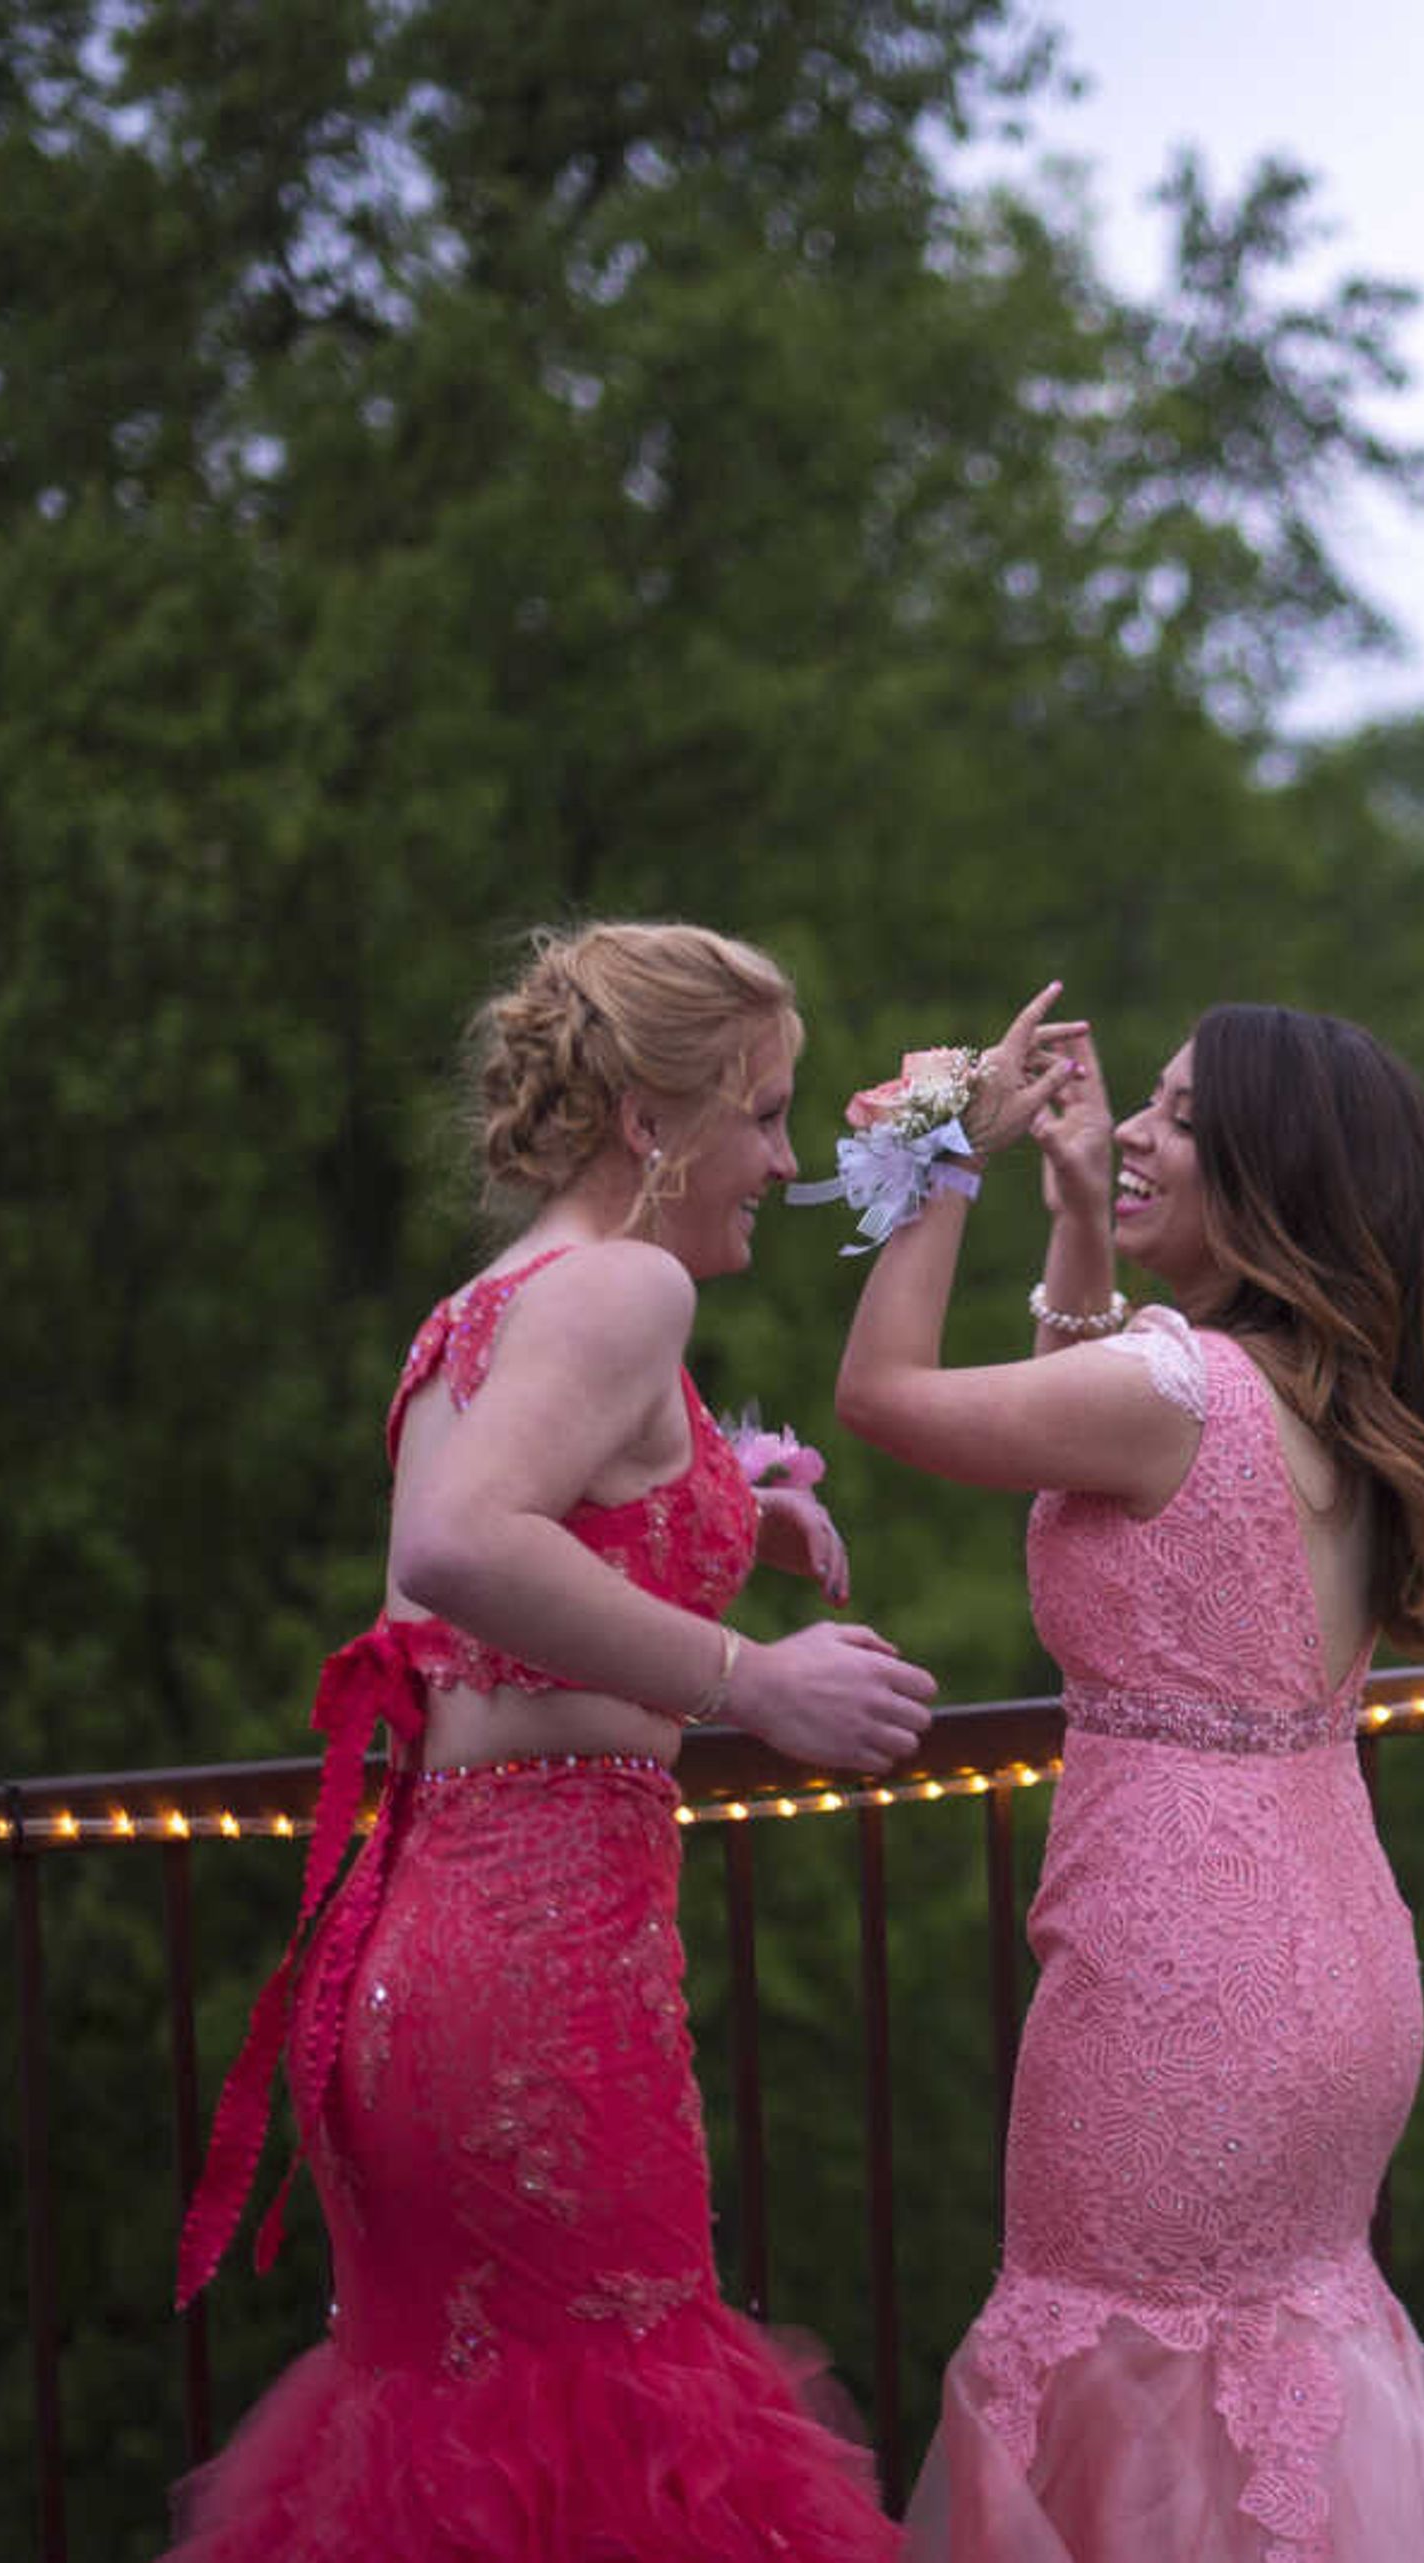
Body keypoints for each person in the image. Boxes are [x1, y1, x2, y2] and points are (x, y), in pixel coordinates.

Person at [166, 920, 933, 2561]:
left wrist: (737, 1506)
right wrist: (758, 1678)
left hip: (423, 1957)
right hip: (536, 1978)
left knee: (478, 2440)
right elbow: (458, 1544)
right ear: (654, 1123)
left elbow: (565, 1510)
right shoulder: (627, 1283)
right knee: (604, 2439)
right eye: (767, 1114)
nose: (785, 1161)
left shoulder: (496, 1298)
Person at [835, 993, 1424, 2563]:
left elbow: (883, 1398)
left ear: (1265, 1178)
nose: (1131, 1127)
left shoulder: (1173, 1393)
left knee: (1126, 2362)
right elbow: (1096, 1428)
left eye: (1178, 1116)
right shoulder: (1338, 1399)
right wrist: (1070, 1215)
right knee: (1248, 2374)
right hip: (1332, 1970)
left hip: (1183, 1984)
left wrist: (937, 1156)